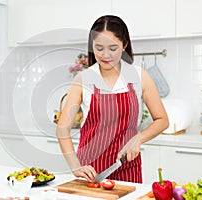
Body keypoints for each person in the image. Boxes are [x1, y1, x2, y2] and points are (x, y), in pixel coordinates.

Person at [56, 15, 169, 183]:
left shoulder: (140, 76)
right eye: (99, 48)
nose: (105, 55)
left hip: (128, 168)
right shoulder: (83, 79)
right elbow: (62, 129)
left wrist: (138, 138)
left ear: (124, 45)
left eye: (113, 48)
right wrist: (75, 166)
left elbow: (162, 120)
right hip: (90, 171)